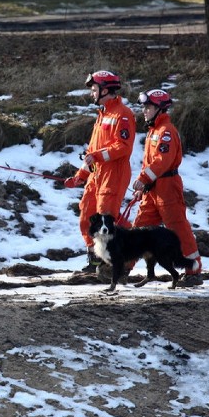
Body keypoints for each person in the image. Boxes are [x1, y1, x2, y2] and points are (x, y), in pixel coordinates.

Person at [64, 70, 136, 272]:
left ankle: (115, 262)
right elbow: (92, 152)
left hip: (114, 174)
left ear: (105, 90)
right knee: (87, 213)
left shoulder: (123, 114)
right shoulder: (102, 114)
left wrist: (97, 156)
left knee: (106, 219)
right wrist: (80, 176)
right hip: (97, 174)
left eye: (94, 90)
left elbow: (123, 147)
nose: (91, 94)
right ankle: (95, 258)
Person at [131, 89, 203, 286]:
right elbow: (149, 162)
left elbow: (163, 160)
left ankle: (193, 272)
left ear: (159, 109)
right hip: (152, 189)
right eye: (144, 107)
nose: (144, 111)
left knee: (178, 229)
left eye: (148, 107)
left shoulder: (166, 132)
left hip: (167, 188)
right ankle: (122, 268)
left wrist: (144, 178)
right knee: (139, 229)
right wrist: (143, 185)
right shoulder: (153, 130)